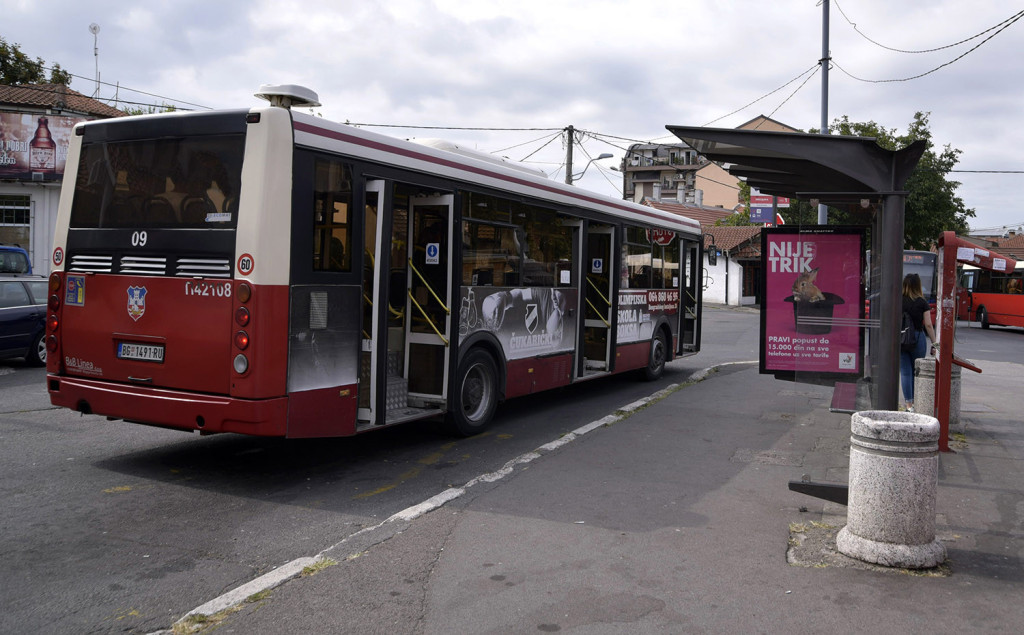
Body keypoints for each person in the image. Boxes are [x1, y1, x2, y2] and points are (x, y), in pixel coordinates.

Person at [900, 273, 937, 412]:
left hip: (902, 338)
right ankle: (917, 402)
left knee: (905, 371)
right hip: (917, 338)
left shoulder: (899, 300)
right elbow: (928, 324)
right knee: (917, 371)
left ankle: (908, 405)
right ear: (918, 285)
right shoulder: (922, 302)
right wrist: (935, 343)